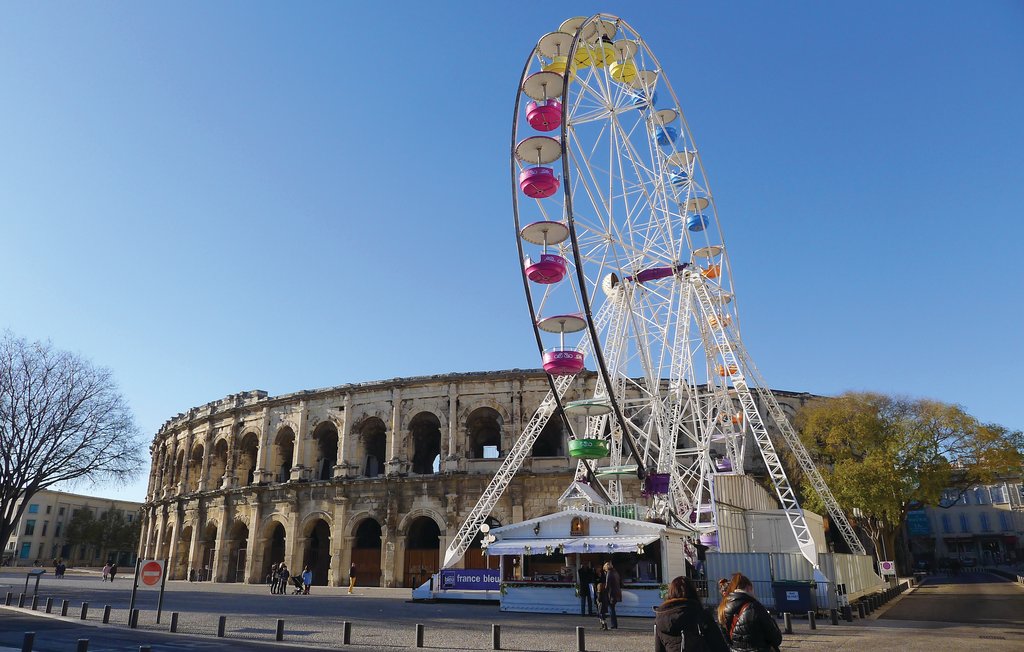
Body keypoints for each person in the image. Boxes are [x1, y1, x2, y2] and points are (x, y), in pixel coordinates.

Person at [655, 575, 729, 652]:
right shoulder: (701, 615)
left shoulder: (661, 618)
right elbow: (720, 646)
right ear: (693, 592)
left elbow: (659, 649)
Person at [717, 573, 782, 652]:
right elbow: (776, 639)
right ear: (749, 588)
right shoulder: (755, 607)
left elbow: (726, 642)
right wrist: (771, 619)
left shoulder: (722, 609)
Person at [603, 561, 622, 630]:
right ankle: (614, 624)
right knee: (612, 609)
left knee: (611, 609)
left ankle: (613, 625)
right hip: (617, 592)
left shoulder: (609, 573)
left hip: (611, 594)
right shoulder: (615, 572)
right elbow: (620, 582)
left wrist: (604, 591)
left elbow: (607, 585)